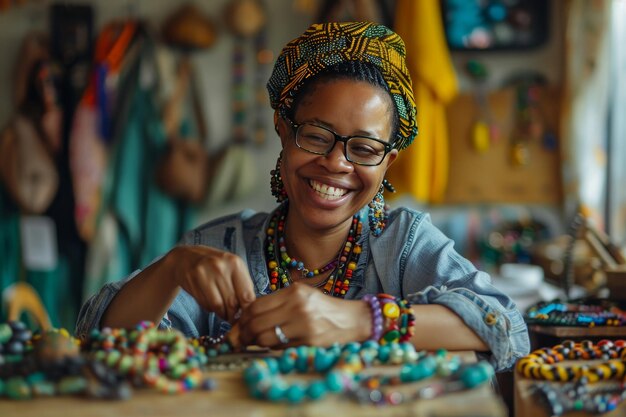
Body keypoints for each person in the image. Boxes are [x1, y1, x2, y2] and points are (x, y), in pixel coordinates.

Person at [76, 22, 530, 372]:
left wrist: (357, 321)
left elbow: (505, 327)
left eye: (365, 149)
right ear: (283, 130)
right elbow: (98, 340)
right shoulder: (220, 247)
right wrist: (172, 268)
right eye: (316, 136)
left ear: (387, 163)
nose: (337, 163)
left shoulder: (403, 246)